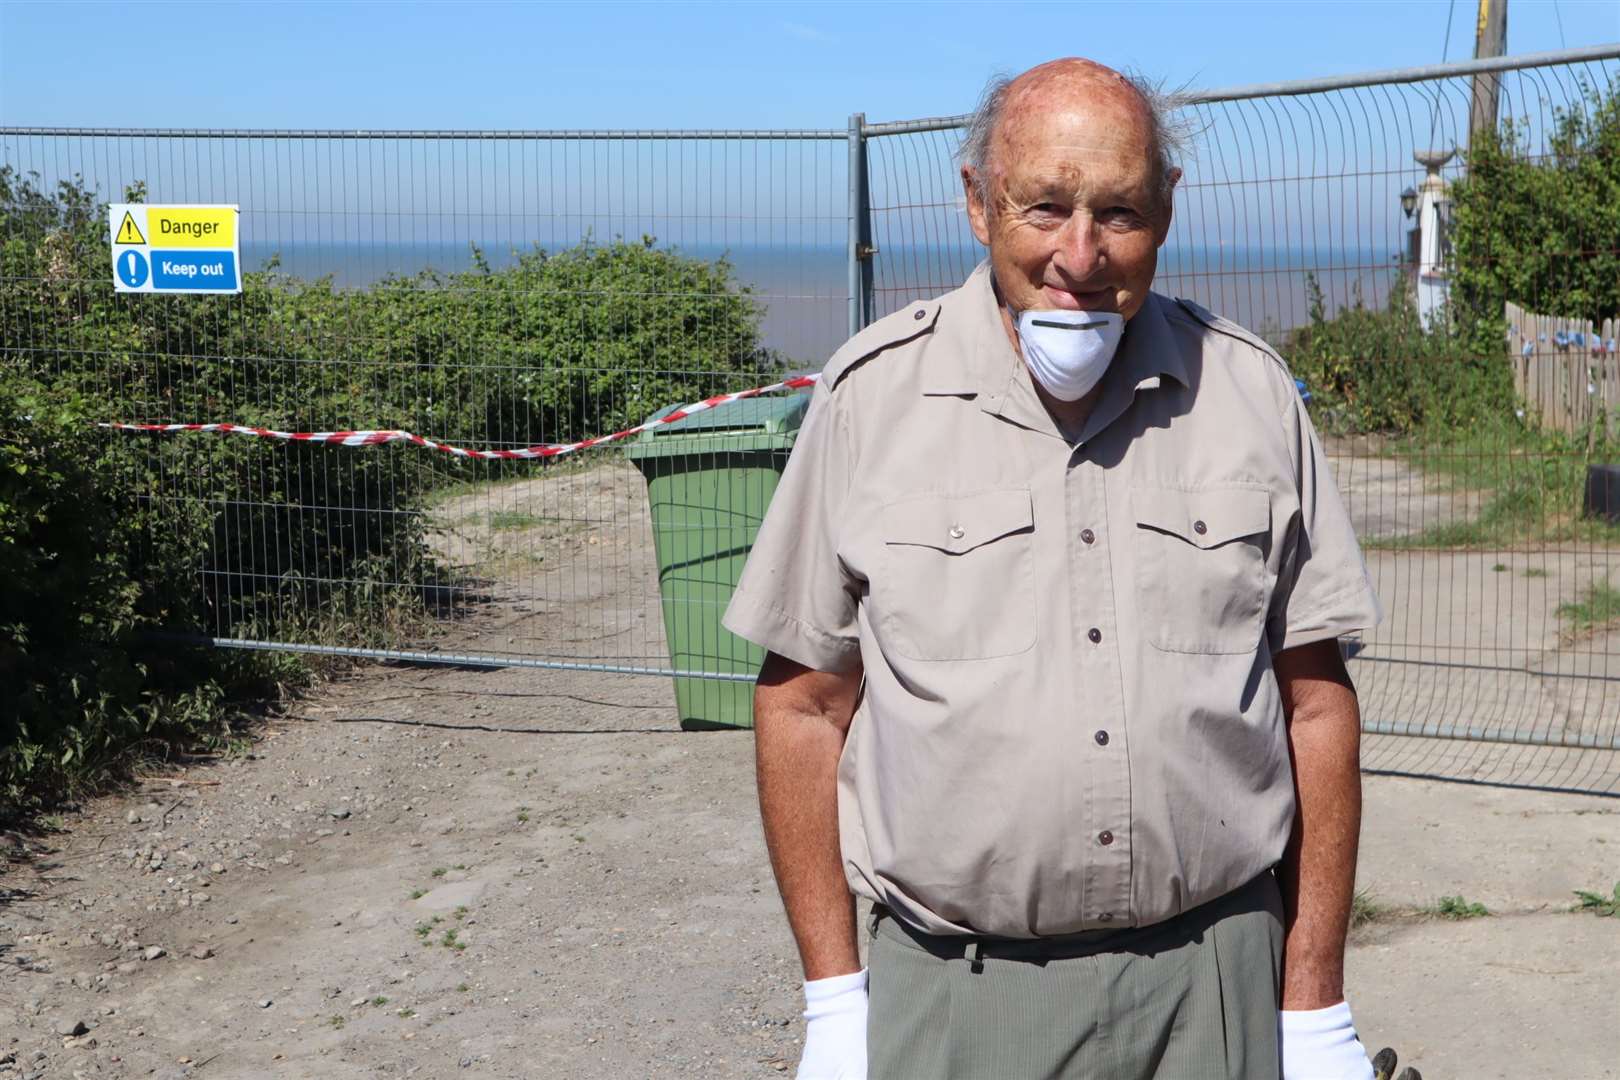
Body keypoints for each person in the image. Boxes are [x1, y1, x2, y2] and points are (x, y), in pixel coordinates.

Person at [723, 57, 1383, 1080]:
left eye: (1119, 211)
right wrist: (835, 1004)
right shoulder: (869, 402)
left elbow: (1315, 708)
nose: (1081, 254)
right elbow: (802, 709)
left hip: (1214, 990)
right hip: (956, 999)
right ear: (978, 205)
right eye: (1044, 207)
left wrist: (1313, 1006)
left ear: (1167, 209)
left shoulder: (1249, 395)